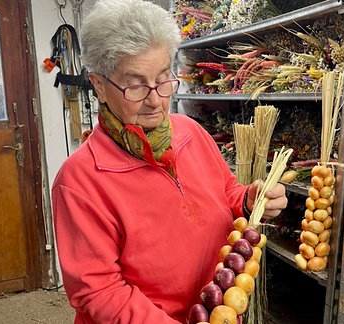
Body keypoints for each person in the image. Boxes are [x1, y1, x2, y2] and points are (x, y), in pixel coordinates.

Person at [51, 0, 288, 323]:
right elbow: (99, 292)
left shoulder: (189, 131)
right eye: (135, 85)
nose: (155, 100)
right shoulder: (80, 179)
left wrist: (248, 200)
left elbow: (226, 192)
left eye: (164, 79)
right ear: (99, 86)